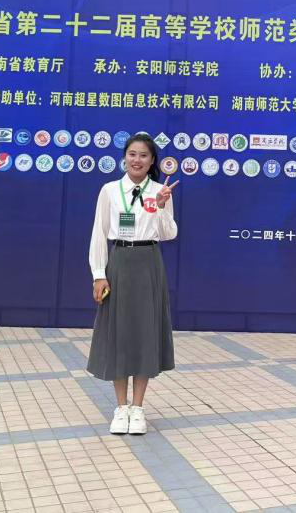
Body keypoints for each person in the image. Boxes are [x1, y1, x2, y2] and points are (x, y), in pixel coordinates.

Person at [87, 133, 178, 435]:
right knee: (119, 333)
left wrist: (162, 206)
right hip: (119, 262)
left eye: (144, 155)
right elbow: (99, 233)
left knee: (143, 334)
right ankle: (121, 407)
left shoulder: (160, 191)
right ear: (124, 157)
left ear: (152, 161)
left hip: (148, 262)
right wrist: (99, 273)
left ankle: (138, 408)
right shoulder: (110, 190)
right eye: (132, 154)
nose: (137, 160)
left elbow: (168, 234)